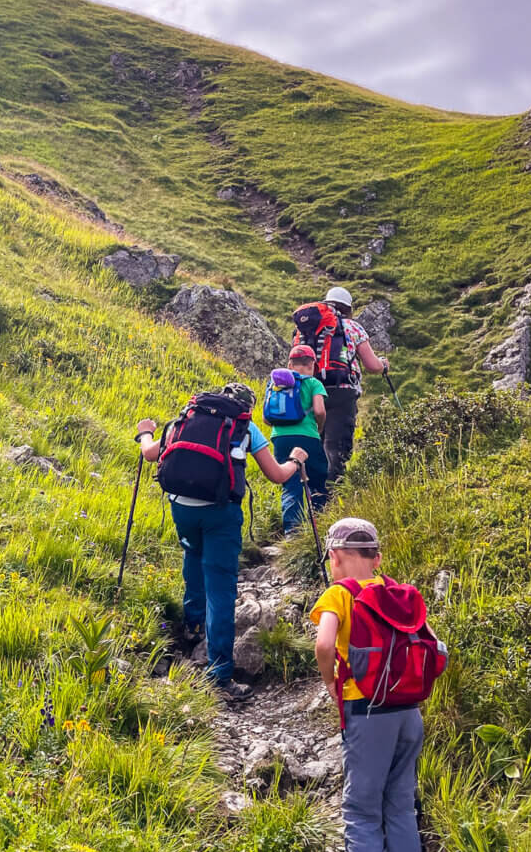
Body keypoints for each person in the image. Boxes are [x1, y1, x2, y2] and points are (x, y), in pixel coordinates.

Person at [135, 383, 308, 704]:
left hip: (182, 506)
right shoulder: (245, 426)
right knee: (221, 586)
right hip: (221, 514)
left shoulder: (188, 418)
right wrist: (296, 461)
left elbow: (149, 454)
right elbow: (277, 475)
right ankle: (219, 674)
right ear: (247, 407)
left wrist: (145, 432)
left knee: (193, 557)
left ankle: (192, 626)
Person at [309, 518, 429, 852]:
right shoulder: (396, 592)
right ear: (377, 558)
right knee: (399, 806)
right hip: (408, 711)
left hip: (367, 711)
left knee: (361, 809)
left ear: (336, 556)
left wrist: (329, 681)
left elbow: (325, 645)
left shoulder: (338, 594)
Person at [309, 286, 387, 482]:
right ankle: (331, 493)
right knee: (336, 446)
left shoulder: (310, 327)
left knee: (312, 443)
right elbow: (371, 365)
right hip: (342, 392)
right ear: (347, 308)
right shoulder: (352, 327)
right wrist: (384, 365)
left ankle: (311, 491)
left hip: (310, 390)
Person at [265, 343, 328, 534]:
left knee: (290, 482)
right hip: (308, 436)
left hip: (280, 437)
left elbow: (266, 419)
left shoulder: (275, 385)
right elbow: (319, 410)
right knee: (317, 479)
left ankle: (293, 531)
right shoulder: (314, 383)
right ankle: (319, 524)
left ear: (289, 364)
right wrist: (319, 427)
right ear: (312, 365)